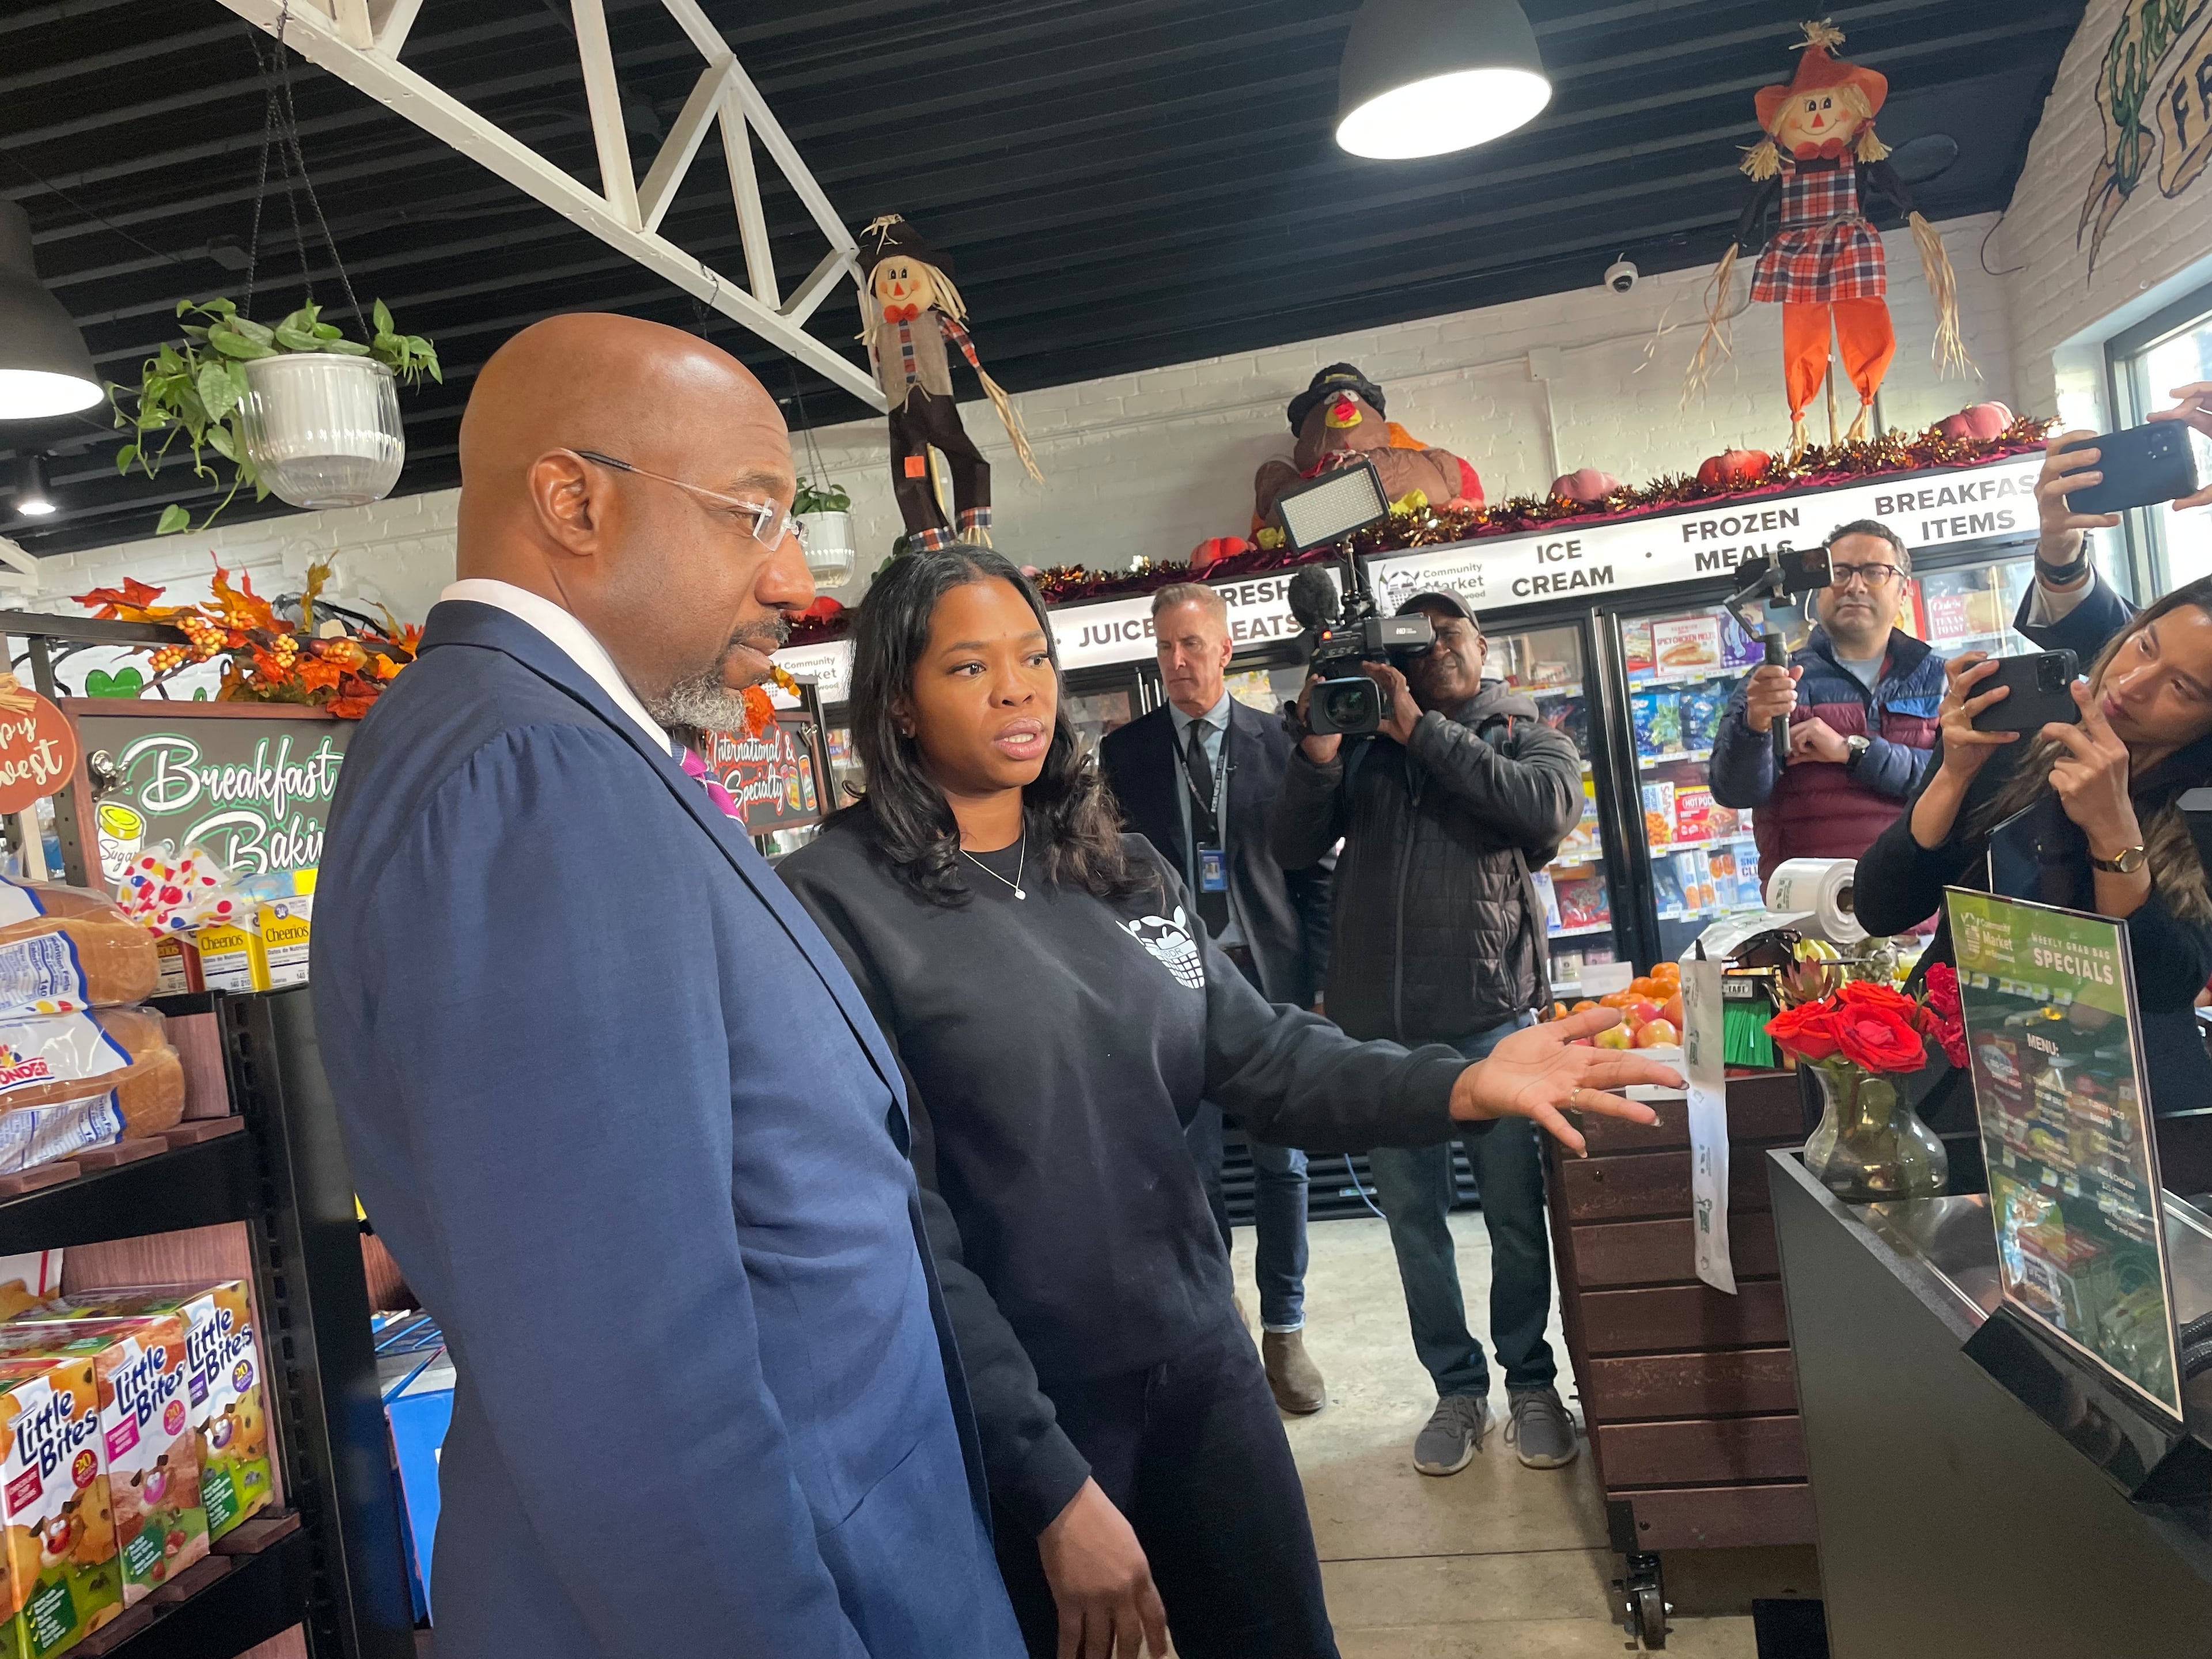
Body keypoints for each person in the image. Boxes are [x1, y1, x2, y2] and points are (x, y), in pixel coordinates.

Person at [778, 547, 1676, 1659]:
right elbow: (904, 1232)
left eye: (1031, 659)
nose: (1018, 690)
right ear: (898, 704)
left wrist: (1460, 1083)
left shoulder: (1119, 866)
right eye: (968, 667)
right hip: (1030, 1415)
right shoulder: (830, 903)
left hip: (1203, 1363)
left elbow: (1265, 1058)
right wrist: (1050, 1487)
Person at [310, 316, 1024, 1659]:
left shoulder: (543, 743)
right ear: (574, 501)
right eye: (752, 514)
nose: (797, 575)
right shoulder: (532, 778)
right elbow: (628, 1384)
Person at [1268, 590, 1587, 1478]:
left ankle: (1531, 1383)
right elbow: (1291, 844)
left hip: (1495, 1028)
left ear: (1483, 644)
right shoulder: (1362, 751)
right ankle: (1456, 1389)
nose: (1442, 645)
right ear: (1397, 662)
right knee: (1414, 1226)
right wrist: (1320, 749)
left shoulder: (1527, 734)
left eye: (1455, 631)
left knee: (1517, 1222)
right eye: (1422, 638)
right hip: (1381, 1040)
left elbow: (1543, 812)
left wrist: (1423, 734)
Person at [1099, 583, 1333, 1415]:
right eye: (1164, 648)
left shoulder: (1282, 745)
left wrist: (1315, 989)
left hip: (1267, 983)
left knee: (1283, 1167)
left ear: (1227, 650)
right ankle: (1224, 1332)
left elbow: (1312, 875)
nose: (1177, 663)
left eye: (1192, 645)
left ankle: (1286, 1331)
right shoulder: (1125, 755)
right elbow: (1110, 881)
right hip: (1171, 989)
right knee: (1191, 1174)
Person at [1854, 578, 2212, 1120]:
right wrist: (1953, 776)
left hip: (2117, 1109)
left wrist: (2114, 832)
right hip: (1958, 1079)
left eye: (2182, 688)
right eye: (2145, 645)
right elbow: (1882, 908)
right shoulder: (2019, 735)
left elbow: (2165, 986)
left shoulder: (2198, 808)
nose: (2133, 684)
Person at [1707, 519, 1946, 865]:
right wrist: (1754, 725)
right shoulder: (1773, 682)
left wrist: (1852, 752)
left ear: (1904, 589)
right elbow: (1735, 791)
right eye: (1840, 572)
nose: (1855, 586)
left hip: (1921, 900)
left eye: (1875, 572)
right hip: (1811, 906)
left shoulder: (1940, 678)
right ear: (1818, 589)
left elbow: (1960, 781)